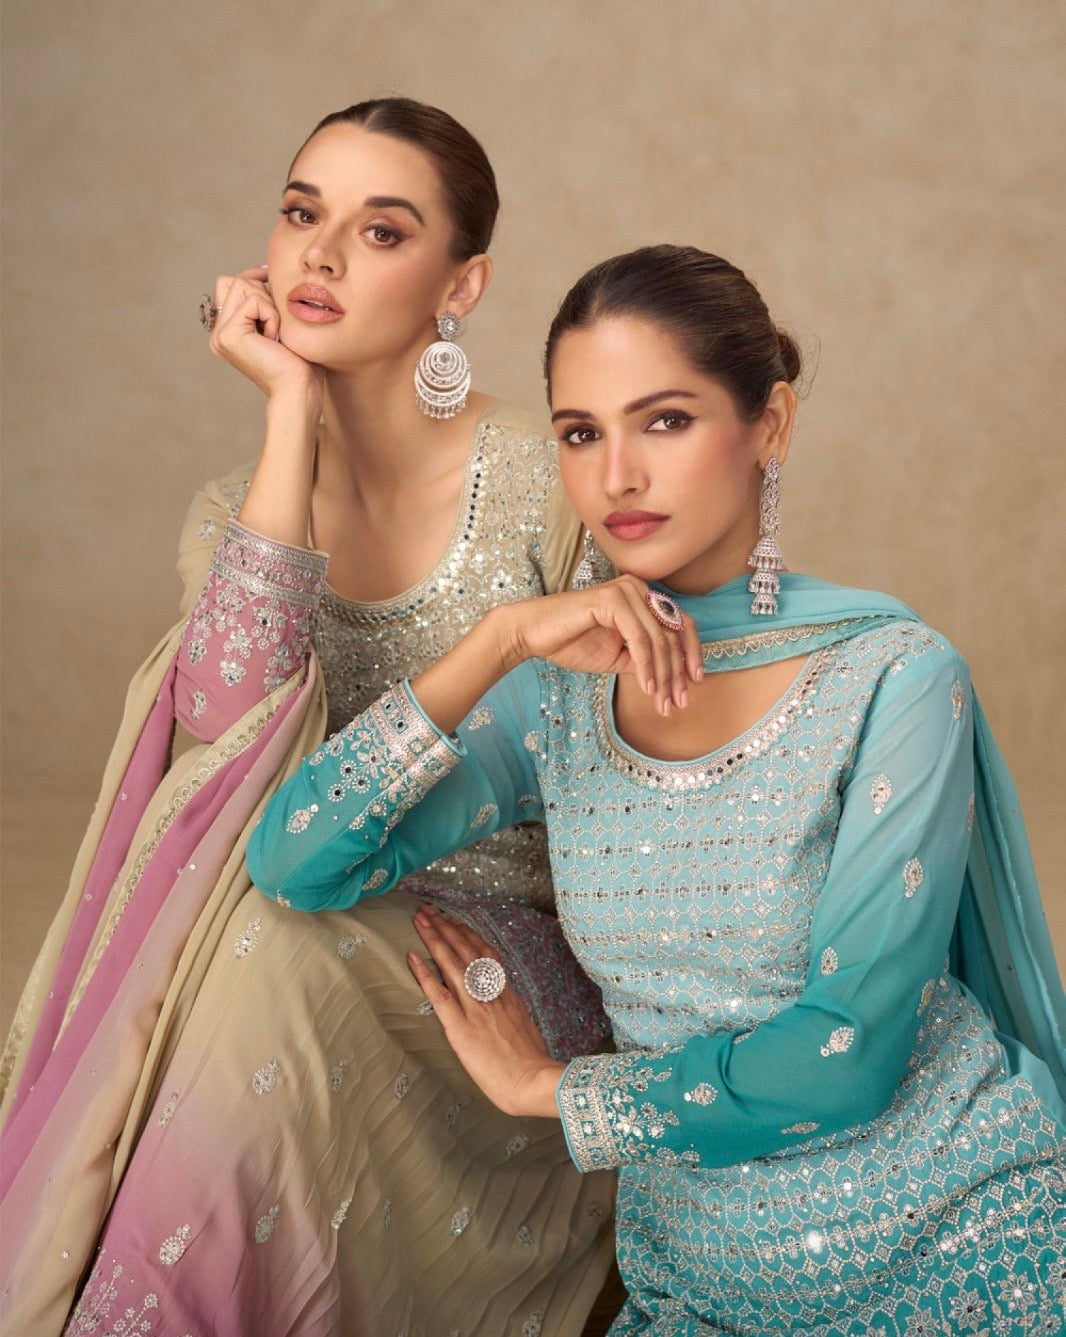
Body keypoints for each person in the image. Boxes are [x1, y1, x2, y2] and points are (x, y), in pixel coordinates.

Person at [248, 245, 1066, 1335]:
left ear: (768, 425)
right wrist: (489, 647)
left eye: (665, 421)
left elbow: (850, 1052)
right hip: (699, 1290)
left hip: (962, 1250)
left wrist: (553, 1093)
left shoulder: (893, 675)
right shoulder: (557, 696)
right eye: (581, 433)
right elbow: (295, 859)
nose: (616, 477)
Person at [0, 99, 618, 1336]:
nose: (320, 258)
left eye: (379, 231)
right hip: (295, 923)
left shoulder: (553, 469)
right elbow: (227, 738)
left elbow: (637, 771)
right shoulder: (240, 509)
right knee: (267, 940)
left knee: (269, 950)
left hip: (516, 963)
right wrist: (288, 409)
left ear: (463, 282)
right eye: (300, 215)